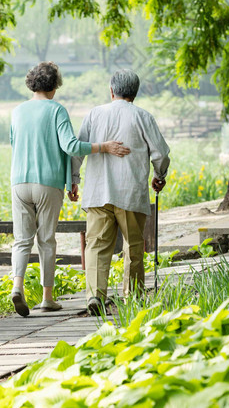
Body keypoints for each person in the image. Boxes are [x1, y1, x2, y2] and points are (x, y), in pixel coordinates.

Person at [9, 61, 130, 317]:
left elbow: (14, 143)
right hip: (47, 183)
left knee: (22, 240)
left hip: (19, 182)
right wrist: (103, 147)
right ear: (54, 85)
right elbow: (72, 147)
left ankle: (17, 287)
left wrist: (69, 179)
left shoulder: (17, 111)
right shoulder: (57, 110)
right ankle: (47, 298)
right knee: (46, 240)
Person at [74, 68, 170, 316]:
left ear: (111, 90)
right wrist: (160, 176)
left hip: (97, 192)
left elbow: (79, 150)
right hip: (130, 193)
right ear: (135, 94)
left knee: (96, 246)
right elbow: (160, 154)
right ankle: (134, 297)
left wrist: (73, 179)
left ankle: (95, 295)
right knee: (134, 246)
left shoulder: (94, 114)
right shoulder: (143, 117)